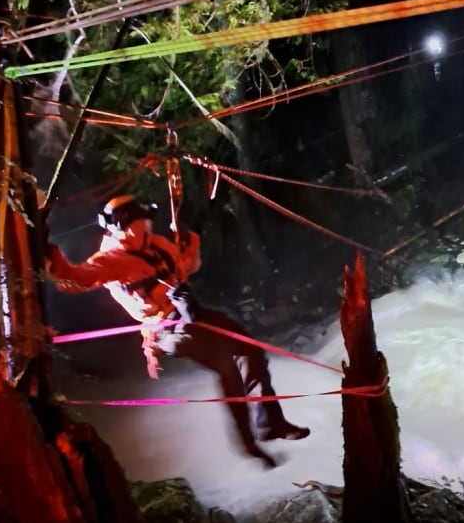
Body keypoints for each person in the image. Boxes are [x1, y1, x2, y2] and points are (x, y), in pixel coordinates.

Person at [45, 194, 310, 468]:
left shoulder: (156, 244)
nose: (148, 224)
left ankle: (269, 422)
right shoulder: (111, 259)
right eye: (142, 220)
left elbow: (187, 265)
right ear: (125, 224)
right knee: (224, 363)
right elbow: (73, 280)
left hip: (189, 313)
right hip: (165, 329)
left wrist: (189, 242)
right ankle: (250, 445)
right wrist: (48, 251)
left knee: (249, 351)